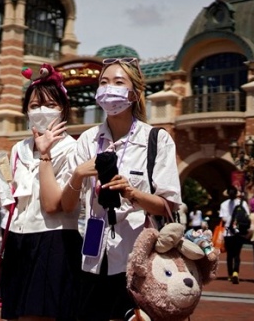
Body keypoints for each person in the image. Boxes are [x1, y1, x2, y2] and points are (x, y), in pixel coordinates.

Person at [61, 57, 182, 321]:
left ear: (135, 93)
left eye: (118, 82)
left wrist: (132, 193)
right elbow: (66, 205)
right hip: (91, 248)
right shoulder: (87, 140)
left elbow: (167, 206)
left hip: (137, 258)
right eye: (103, 82)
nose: (109, 89)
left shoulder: (156, 139)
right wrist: (79, 173)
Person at [0, 63, 82, 321]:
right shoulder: (18, 150)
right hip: (18, 238)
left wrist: (45, 153)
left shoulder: (73, 149)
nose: (41, 112)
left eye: (49, 105)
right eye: (34, 106)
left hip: (54, 239)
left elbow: (53, 205)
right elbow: (12, 200)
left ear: (63, 109)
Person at [219, 187, 250, 284]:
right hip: (239, 232)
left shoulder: (223, 204)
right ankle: (236, 272)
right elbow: (247, 216)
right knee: (237, 254)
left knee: (229, 255)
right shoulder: (242, 203)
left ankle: (229, 274)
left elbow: (223, 219)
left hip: (228, 232)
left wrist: (230, 221)